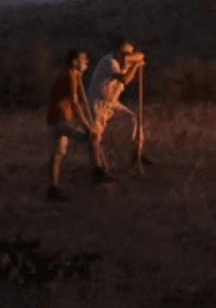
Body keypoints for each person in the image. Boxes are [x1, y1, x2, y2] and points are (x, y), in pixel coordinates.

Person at [87, 38, 146, 181]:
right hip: (98, 103)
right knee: (95, 136)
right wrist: (135, 66)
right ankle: (99, 170)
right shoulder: (109, 62)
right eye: (124, 53)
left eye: (129, 53)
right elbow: (124, 79)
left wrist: (135, 59)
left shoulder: (124, 61)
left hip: (112, 102)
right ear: (117, 52)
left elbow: (141, 56)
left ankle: (136, 156)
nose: (127, 56)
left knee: (133, 119)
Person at [46, 50, 99, 201]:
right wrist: (87, 125)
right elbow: (76, 105)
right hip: (62, 120)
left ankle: (52, 188)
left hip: (54, 119)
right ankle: (98, 172)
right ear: (75, 62)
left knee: (57, 154)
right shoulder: (70, 76)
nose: (87, 62)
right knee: (91, 137)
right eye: (83, 59)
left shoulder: (71, 76)